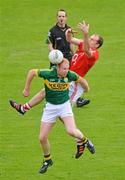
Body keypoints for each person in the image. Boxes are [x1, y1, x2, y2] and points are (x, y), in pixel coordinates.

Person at [10, 59, 95, 174]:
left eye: (67, 68)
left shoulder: (70, 75)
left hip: (64, 106)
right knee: (42, 138)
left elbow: (81, 80)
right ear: (57, 68)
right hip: (50, 108)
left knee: (71, 130)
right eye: (64, 68)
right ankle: (47, 160)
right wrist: (26, 89)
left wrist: (86, 88)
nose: (67, 70)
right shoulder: (48, 74)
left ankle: (86, 141)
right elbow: (31, 72)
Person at [66, 21, 103, 107]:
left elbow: (87, 51)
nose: (89, 39)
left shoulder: (95, 54)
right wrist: (68, 32)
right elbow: (69, 39)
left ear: (97, 45)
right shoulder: (83, 43)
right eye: (90, 38)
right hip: (67, 76)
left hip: (75, 81)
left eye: (92, 39)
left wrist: (86, 34)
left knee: (67, 106)